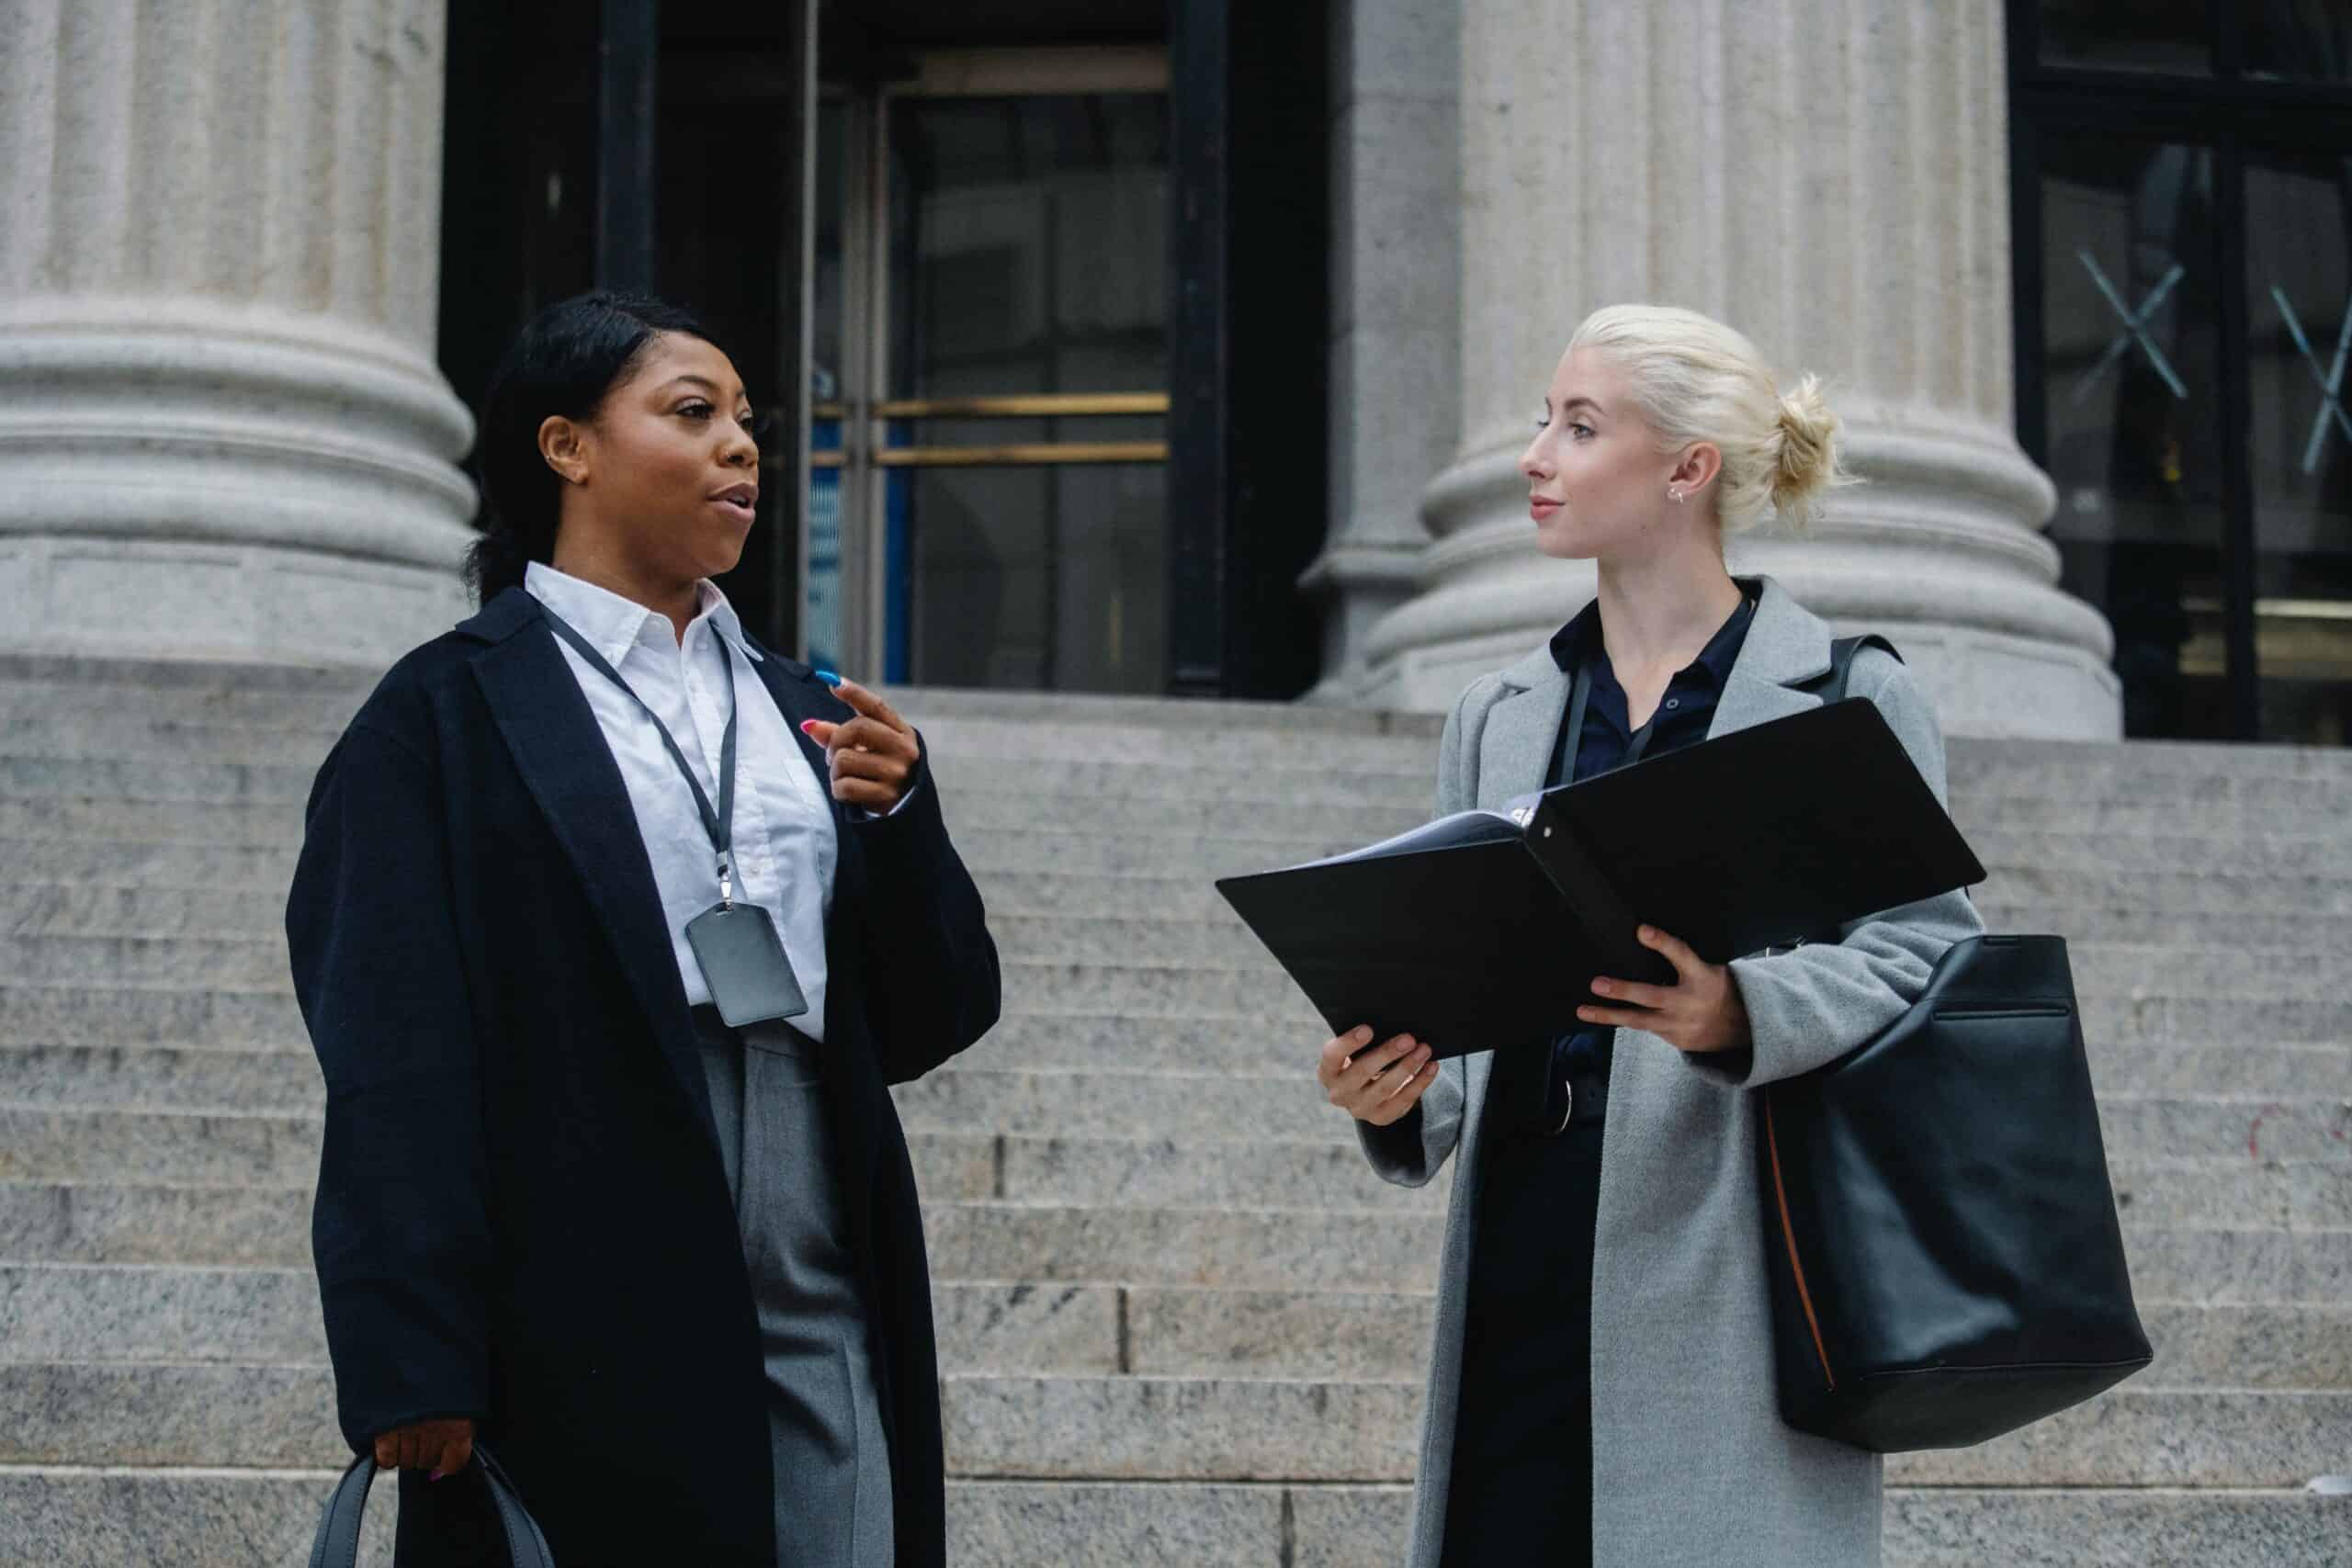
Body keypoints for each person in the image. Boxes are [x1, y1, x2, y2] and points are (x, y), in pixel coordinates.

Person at [286, 291, 1001, 1567]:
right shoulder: (444, 713)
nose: (743, 446)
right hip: (578, 1196)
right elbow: (391, 1047)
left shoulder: (810, 710)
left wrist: (901, 824)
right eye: (693, 413)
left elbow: (935, 1013)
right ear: (568, 448)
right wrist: (409, 1349)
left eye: (747, 422)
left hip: (817, 1190)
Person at [1316, 304, 1983, 1566]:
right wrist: (1388, 1091)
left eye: (1580, 427)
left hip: (1734, 1263)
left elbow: (1927, 955)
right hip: (1521, 1252)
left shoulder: (1843, 693)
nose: (1535, 456)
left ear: (1689, 469)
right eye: (1540, 422)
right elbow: (1465, 994)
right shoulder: (1501, 713)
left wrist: (1740, 1014)